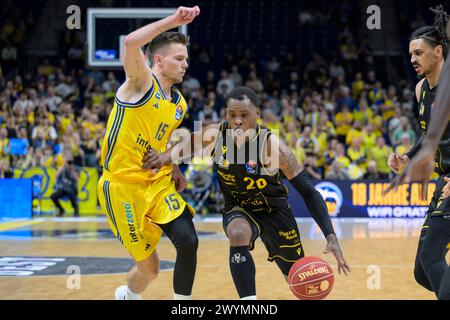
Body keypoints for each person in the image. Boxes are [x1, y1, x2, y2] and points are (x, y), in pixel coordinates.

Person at [144, 87, 350, 300]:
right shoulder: (214, 135)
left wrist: (330, 235)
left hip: (275, 212)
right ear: (226, 114)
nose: (238, 121)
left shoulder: (274, 148)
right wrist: (165, 160)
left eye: (244, 114)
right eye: (232, 115)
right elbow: (185, 145)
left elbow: (309, 193)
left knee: (300, 280)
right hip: (238, 207)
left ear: (257, 113)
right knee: (237, 233)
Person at [96, 6, 201, 300]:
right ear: (158, 59)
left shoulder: (179, 104)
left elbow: (163, 139)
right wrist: (174, 21)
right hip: (121, 187)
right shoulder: (140, 82)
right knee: (150, 269)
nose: (185, 65)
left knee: (188, 240)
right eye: (179, 59)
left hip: (156, 182)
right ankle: (128, 294)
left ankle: (182, 304)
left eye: (186, 59)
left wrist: (176, 166)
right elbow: (130, 43)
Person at [386, 6, 450, 300]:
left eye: (419, 53)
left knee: (430, 257)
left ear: (438, 52)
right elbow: (428, 133)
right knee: (422, 272)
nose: (412, 59)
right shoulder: (421, 89)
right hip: (444, 181)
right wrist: (407, 156)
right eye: (410, 53)